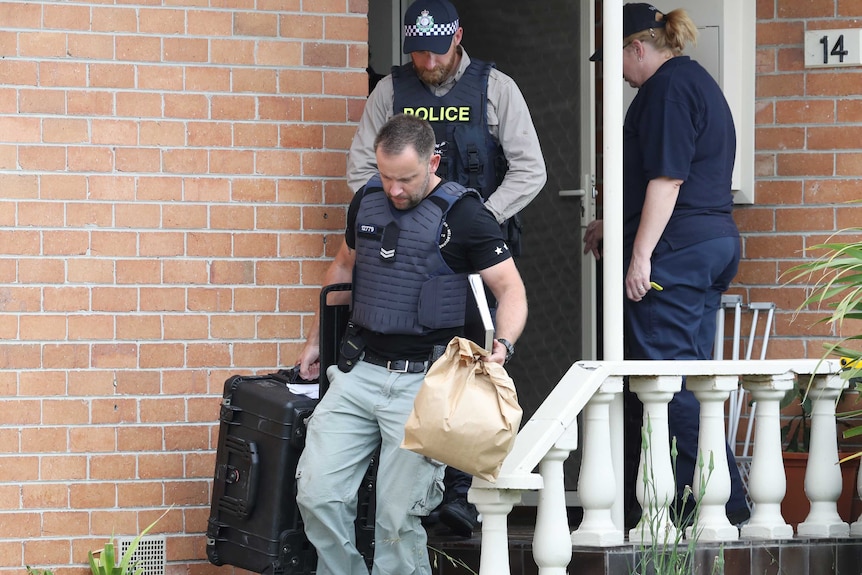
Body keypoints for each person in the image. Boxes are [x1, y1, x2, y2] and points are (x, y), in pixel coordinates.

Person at [295, 113, 527, 575]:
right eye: (385, 178)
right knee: (315, 493)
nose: (395, 190)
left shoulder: (465, 214)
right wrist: (317, 340)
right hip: (358, 370)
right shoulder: (366, 201)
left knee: (397, 517)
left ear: (432, 161)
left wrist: (502, 344)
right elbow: (343, 268)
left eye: (405, 179)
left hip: (423, 383)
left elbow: (511, 290)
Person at [346, 0, 545, 537]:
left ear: (458, 37)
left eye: (434, 52)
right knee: (423, 363)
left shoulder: (493, 87)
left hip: (475, 255)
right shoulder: (391, 90)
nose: (426, 63)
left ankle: (462, 494)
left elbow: (531, 169)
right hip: (408, 256)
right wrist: (399, 218)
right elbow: (362, 168)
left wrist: (477, 220)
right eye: (416, 52)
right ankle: (421, 493)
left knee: (475, 367)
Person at [583, 3, 750, 528]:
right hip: (709, 243)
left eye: (616, 60)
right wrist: (615, 223)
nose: (617, 75)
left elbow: (668, 179)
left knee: (665, 383)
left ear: (637, 47)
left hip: (675, 254)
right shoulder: (695, 82)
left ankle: (701, 512)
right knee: (690, 381)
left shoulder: (666, 90)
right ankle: (722, 503)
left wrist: (639, 256)